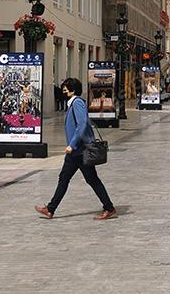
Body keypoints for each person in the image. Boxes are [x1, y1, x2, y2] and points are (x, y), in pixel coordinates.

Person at [35, 78, 116, 220]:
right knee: (65, 178)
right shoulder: (72, 103)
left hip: (80, 150)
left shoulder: (77, 102)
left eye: (66, 87)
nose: (63, 90)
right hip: (76, 152)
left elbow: (82, 124)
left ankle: (109, 208)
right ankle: (50, 209)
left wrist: (71, 144)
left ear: (73, 89)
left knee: (91, 180)